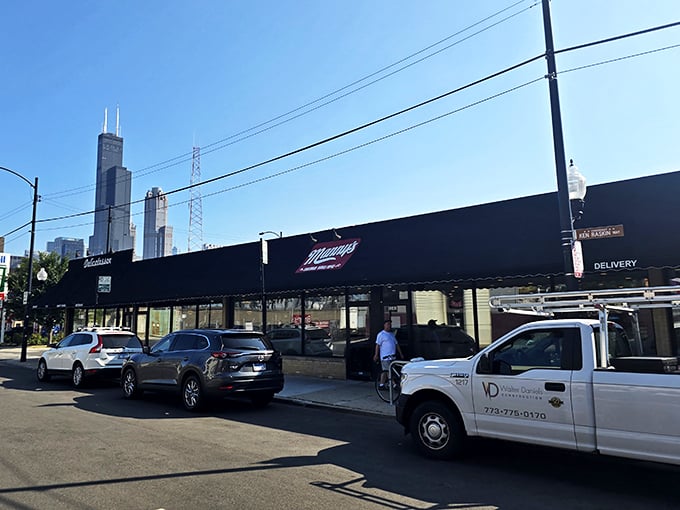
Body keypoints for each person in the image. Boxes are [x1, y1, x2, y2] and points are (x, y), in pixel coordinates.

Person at [373, 319, 403, 388]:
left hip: (392, 356)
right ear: (384, 325)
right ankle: (393, 383)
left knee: (385, 370)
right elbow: (377, 345)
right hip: (385, 356)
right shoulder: (381, 334)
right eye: (388, 324)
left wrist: (400, 353)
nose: (389, 326)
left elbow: (396, 344)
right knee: (388, 370)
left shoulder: (392, 334)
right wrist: (376, 355)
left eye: (390, 324)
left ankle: (382, 384)